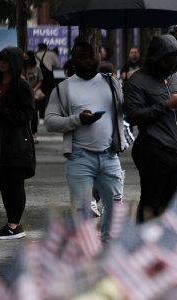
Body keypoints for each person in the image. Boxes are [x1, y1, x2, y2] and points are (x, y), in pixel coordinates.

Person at [45, 41, 126, 243]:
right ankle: (84, 254)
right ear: (73, 61)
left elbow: (125, 109)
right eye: (82, 57)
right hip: (80, 157)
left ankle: (108, 249)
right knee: (82, 212)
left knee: (116, 208)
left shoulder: (111, 82)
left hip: (110, 155)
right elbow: (50, 121)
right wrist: (78, 120)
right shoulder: (63, 88)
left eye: (91, 56)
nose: (88, 61)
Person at [124, 35, 177, 223]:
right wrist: (167, 104)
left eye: (175, 64)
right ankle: (140, 245)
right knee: (151, 204)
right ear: (156, 58)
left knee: (170, 206)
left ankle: (164, 245)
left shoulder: (176, 78)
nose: (172, 68)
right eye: (168, 63)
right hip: (153, 151)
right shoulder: (137, 81)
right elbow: (133, 116)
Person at [0, 47, 36, 239]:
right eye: (0, 59)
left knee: (14, 182)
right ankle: (10, 223)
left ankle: (15, 224)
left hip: (17, 142)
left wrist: (2, 111)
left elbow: (27, 114)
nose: (2, 63)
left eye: (6, 60)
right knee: (3, 182)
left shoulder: (22, 86)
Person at [22, 50, 44, 144]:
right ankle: (25, 135)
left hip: (33, 93)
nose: (24, 59)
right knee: (24, 114)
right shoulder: (22, 67)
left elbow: (40, 80)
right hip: (24, 93)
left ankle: (33, 134)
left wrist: (34, 89)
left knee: (34, 114)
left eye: (26, 58)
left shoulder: (37, 67)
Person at [36, 43, 60, 124]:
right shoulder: (51, 53)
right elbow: (57, 64)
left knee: (41, 97)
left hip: (40, 79)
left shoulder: (36, 55)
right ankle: (52, 116)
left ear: (39, 48)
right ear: (46, 48)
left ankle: (41, 118)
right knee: (51, 97)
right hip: (49, 78)